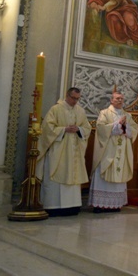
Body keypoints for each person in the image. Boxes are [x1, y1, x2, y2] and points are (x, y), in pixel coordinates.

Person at [36, 88, 92, 217]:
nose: (75, 101)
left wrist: (79, 129)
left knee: (73, 176)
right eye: (73, 98)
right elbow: (47, 128)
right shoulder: (56, 109)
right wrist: (64, 129)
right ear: (67, 96)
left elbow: (87, 128)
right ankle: (53, 207)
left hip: (74, 152)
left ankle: (72, 207)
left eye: (77, 99)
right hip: (59, 150)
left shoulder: (80, 111)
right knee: (57, 175)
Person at [88, 91, 138, 213]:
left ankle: (115, 204)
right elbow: (101, 128)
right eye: (117, 98)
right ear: (111, 100)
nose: (120, 100)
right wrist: (117, 124)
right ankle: (100, 204)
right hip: (107, 150)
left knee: (119, 172)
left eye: (121, 98)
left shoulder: (128, 115)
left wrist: (126, 128)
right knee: (103, 171)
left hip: (121, 151)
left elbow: (135, 130)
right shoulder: (104, 113)